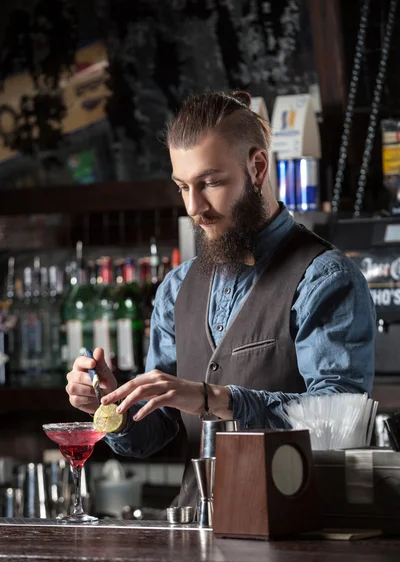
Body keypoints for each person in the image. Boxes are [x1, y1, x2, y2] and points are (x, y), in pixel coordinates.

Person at [66, 90, 376, 507]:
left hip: (295, 532)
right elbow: (151, 434)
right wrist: (114, 405)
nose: (195, 207)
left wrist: (215, 399)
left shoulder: (324, 277)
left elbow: (340, 421)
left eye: (210, 182)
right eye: (182, 187)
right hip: (196, 534)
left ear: (258, 167)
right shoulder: (176, 287)